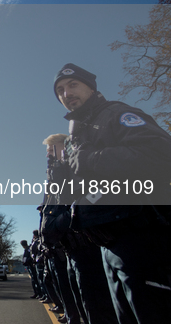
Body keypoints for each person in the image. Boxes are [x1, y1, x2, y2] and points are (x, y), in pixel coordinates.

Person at [53, 63, 171, 323]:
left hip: (142, 239)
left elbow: (161, 156)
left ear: (91, 87)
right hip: (109, 243)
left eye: (73, 85)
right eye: (60, 90)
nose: (66, 93)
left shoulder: (115, 114)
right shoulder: (80, 132)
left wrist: (91, 160)